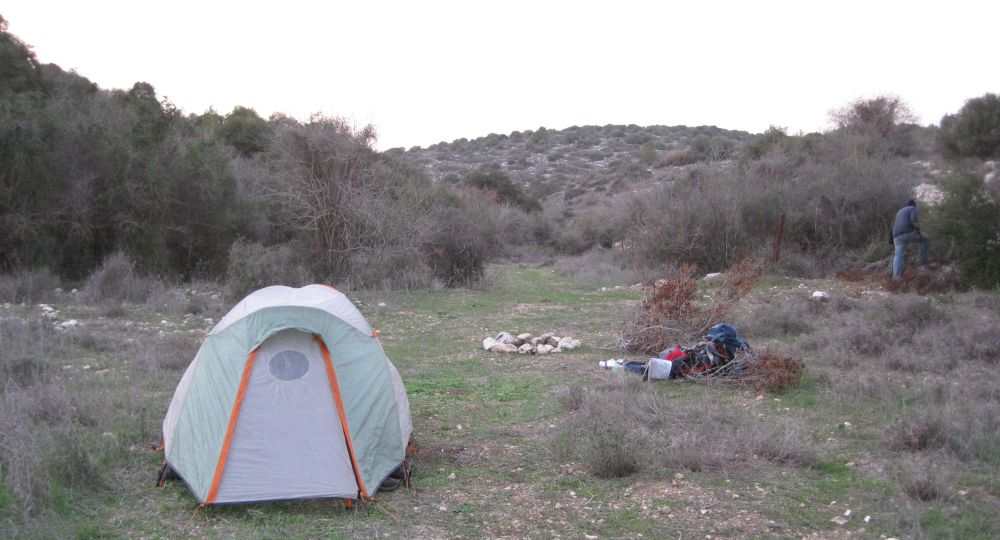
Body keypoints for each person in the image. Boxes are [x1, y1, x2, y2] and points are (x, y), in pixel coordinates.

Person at [890, 199, 928, 279]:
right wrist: (918, 232)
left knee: (898, 255)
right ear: (914, 205)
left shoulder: (899, 211)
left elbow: (892, 225)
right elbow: (914, 219)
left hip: (896, 236)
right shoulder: (913, 208)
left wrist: (891, 240)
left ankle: (896, 277)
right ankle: (922, 261)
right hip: (908, 233)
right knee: (924, 239)